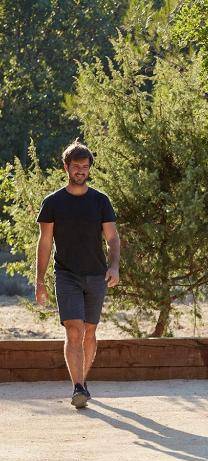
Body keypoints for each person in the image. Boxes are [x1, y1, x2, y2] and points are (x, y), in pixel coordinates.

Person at [35, 140, 120, 408]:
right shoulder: (53, 202)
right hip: (67, 275)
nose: (80, 171)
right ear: (66, 168)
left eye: (85, 166)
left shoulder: (100, 201)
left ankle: (82, 380)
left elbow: (113, 237)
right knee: (74, 330)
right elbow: (45, 242)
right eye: (76, 167)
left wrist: (114, 265)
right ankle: (78, 387)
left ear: (89, 169)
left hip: (96, 275)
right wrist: (40, 279)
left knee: (90, 332)